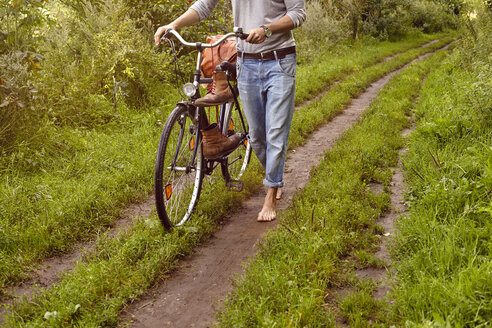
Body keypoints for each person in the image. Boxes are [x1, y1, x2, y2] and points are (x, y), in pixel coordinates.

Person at [154, 0, 306, 222]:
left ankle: (271, 192)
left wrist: (267, 29)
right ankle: (274, 177)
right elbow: (204, 5)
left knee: (276, 131)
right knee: (256, 137)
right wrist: (174, 24)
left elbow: (298, 14)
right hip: (247, 63)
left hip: (280, 61)